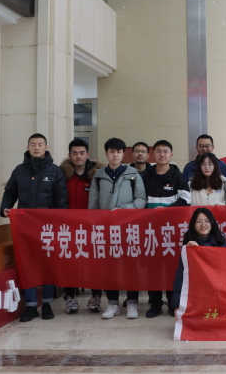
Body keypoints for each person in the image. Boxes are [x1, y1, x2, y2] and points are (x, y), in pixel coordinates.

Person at [0, 133, 68, 322]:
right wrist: (5, 208)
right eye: (33, 144)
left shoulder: (55, 171)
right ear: (28, 147)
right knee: (27, 264)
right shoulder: (19, 170)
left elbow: (61, 201)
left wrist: (59, 225)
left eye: (40, 144)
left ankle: (47, 304)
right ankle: (30, 306)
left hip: (48, 228)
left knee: (47, 264)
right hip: (25, 226)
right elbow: (10, 192)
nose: (36, 147)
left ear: (46, 147)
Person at [88, 137, 147, 320]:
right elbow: (93, 204)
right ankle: (112, 303)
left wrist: (123, 210)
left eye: (119, 152)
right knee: (109, 266)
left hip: (129, 227)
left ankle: (132, 302)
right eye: (112, 151)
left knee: (130, 264)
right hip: (107, 228)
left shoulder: (133, 174)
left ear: (123, 154)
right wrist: (95, 225)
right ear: (106, 153)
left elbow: (141, 199)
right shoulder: (99, 176)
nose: (115, 155)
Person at [140, 139, 190, 318]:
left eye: (165, 151)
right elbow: (139, 200)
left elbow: (186, 200)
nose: (162, 154)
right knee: (153, 267)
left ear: (171, 155)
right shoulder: (145, 176)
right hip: (150, 230)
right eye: (159, 151)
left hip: (172, 230)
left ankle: (171, 302)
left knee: (171, 266)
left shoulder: (178, 176)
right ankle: (155, 303)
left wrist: (167, 210)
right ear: (153, 155)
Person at [59, 138, 105, 314]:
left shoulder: (97, 175)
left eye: (81, 153)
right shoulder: (62, 175)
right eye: (74, 153)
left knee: (94, 263)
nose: (78, 156)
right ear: (69, 155)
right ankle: (70, 298)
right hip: (68, 228)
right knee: (69, 264)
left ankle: (96, 297)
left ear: (87, 154)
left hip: (92, 227)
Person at [170, 208, 226, 314]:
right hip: (197, 293)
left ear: (212, 223)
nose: (203, 225)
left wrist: (200, 249)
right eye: (199, 221)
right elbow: (181, 275)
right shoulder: (188, 244)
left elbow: (224, 265)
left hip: (216, 291)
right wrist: (177, 305)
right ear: (193, 224)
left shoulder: (220, 241)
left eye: (207, 221)